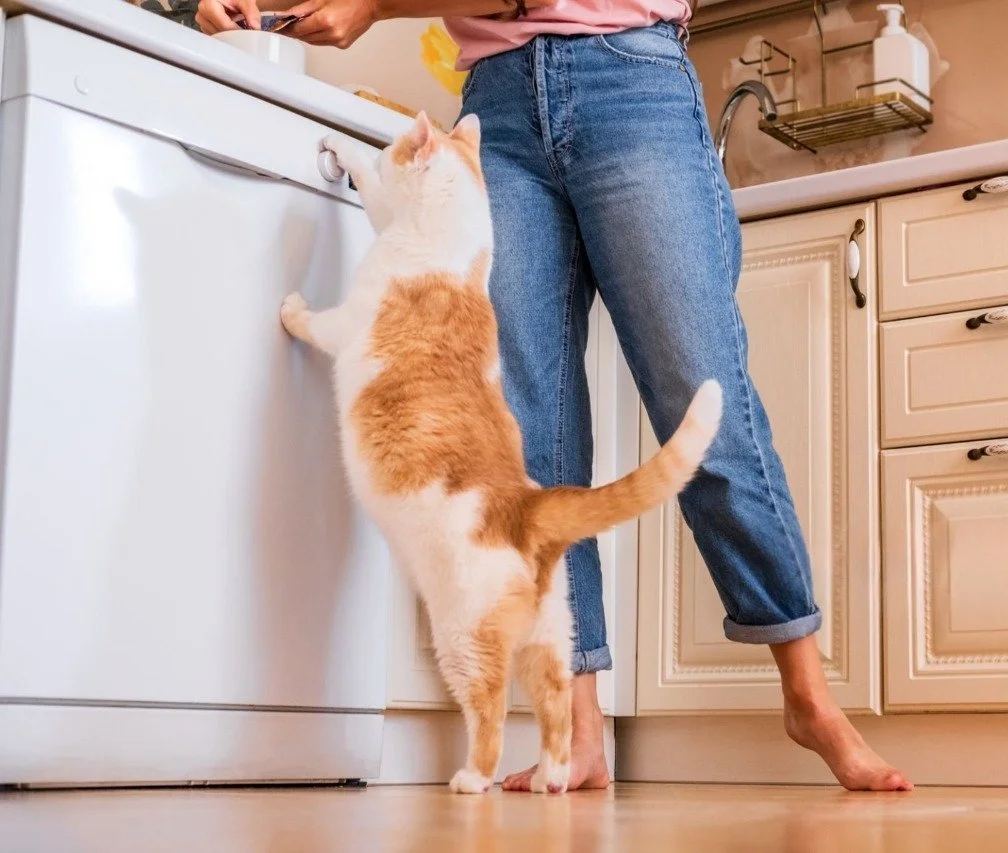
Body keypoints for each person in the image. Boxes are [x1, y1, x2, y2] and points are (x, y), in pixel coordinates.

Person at [198, 0, 912, 794]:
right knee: (527, 434)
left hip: (630, 81)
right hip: (495, 113)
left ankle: (808, 697)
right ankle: (578, 732)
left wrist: (371, 7)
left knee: (702, 394)